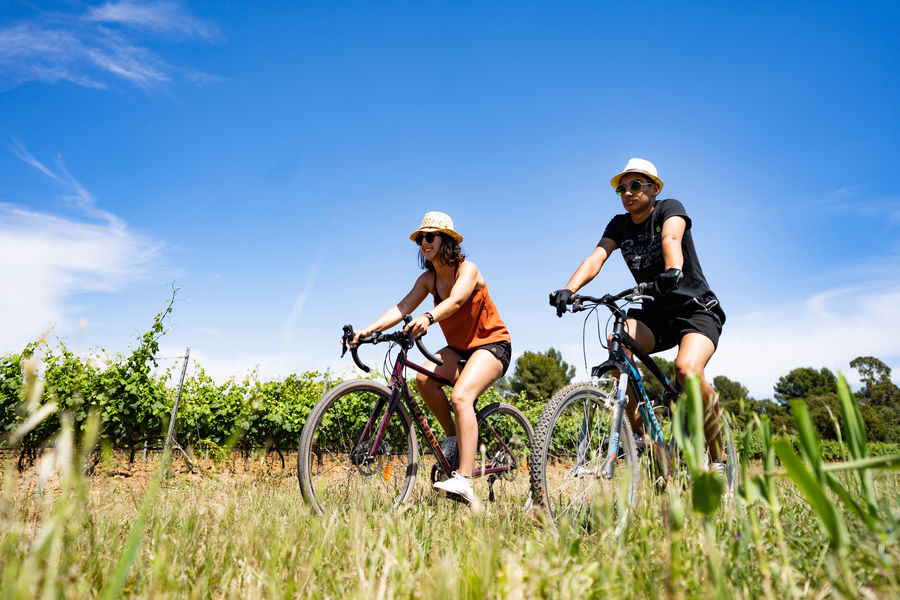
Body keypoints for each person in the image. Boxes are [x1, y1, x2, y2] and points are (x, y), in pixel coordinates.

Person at [549, 158, 730, 480]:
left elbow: (671, 239)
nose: (627, 193)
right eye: (622, 188)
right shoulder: (619, 224)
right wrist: (569, 288)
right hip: (654, 312)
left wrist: (672, 271)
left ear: (654, 188)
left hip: (695, 309)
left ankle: (718, 456)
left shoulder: (668, 208)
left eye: (635, 185)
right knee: (617, 343)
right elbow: (597, 257)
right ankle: (643, 437)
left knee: (687, 370)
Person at [350, 211, 512, 504]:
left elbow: (457, 300)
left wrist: (428, 317)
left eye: (430, 236)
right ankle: (454, 440)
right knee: (423, 378)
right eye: (420, 238)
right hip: (460, 349)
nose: (424, 242)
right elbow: (401, 308)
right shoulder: (428, 279)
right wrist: (366, 330)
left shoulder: (468, 270)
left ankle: (464, 479)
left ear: (446, 240)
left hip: (492, 345)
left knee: (461, 397)